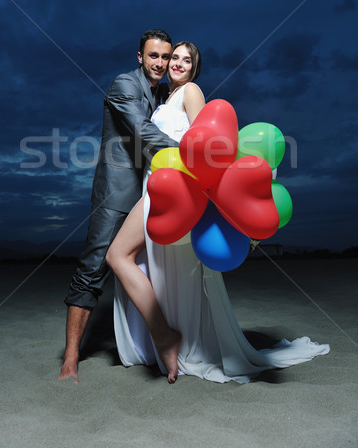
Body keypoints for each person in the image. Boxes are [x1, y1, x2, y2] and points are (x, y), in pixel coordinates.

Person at [106, 41, 330, 384]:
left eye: (186, 59)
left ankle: (169, 337)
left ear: (195, 68)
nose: (178, 64)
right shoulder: (166, 97)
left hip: (177, 184)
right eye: (174, 58)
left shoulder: (191, 92)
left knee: (120, 255)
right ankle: (167, 338)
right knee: (152, 265)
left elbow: (208, 145)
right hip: (160, 182)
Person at [59, 29, 178, 382]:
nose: (160, 63)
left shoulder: (163, 94)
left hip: (148, 192)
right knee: (93, 268)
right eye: (153, 56)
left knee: (149, 266)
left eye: (165, 57)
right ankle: (69, 359)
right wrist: (191, 155)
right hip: (115, 192)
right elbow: (142, 130)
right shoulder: (123, 85)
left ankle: (155, 344)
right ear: (140, 57)